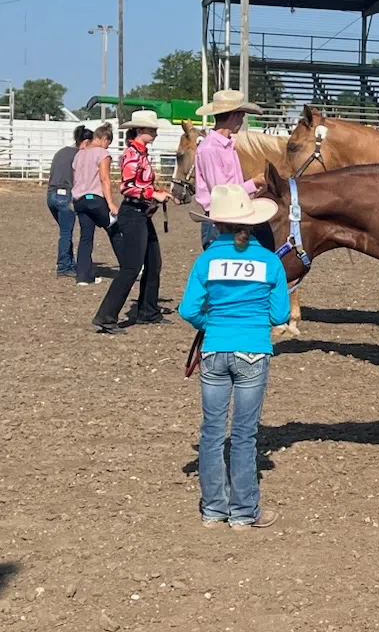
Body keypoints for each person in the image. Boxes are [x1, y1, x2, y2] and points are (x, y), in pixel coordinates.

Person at [179, 183, 290, 530]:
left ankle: (213, 508)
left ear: (216, 225)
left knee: (212, 431)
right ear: (252, 223)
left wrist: (210, 323)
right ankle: (244, 512)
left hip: (214, 348)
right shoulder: (270, 262)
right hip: (254, 350)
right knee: (244, 434)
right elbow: (279, 314)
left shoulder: (207, 259)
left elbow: (187, 309)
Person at [92, 110, 172, 334]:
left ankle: (148, 310)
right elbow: (127, 187)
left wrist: (156, 191)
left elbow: (139, 184)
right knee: (131, 266)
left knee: (153, 262)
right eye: (152, 129)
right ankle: (106, 316)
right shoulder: (132, 154)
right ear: (141, 130)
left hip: (141, 213)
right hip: (133, 213)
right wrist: (152, 195)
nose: (155, 132)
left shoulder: (141, 154)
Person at [193, 90, 264, 250]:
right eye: (242, 115)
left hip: (230, 219)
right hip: (219, 222)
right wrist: (254, 183)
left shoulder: (225, 145)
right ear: (233, 115)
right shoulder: (210, 149)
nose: (243, 119)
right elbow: (222, 193)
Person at [70, 123, 121, 286]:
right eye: (108, 143)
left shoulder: (79, 155)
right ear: (104, 139)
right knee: (115, 230)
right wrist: (111, 203)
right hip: (95, 200)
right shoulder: (102, 153)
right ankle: (130, 265)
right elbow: (104, 179)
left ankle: (83, 276)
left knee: (86, 237)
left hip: (79, 200)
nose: (108, 146)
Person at [45, 125, 93, 277]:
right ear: (85, 142)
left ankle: (69, 263)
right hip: (65, 196)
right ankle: (64, 266)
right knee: (66, 233)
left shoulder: (61, 152)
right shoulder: (79, 156)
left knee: (65, 231)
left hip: (52, 195)